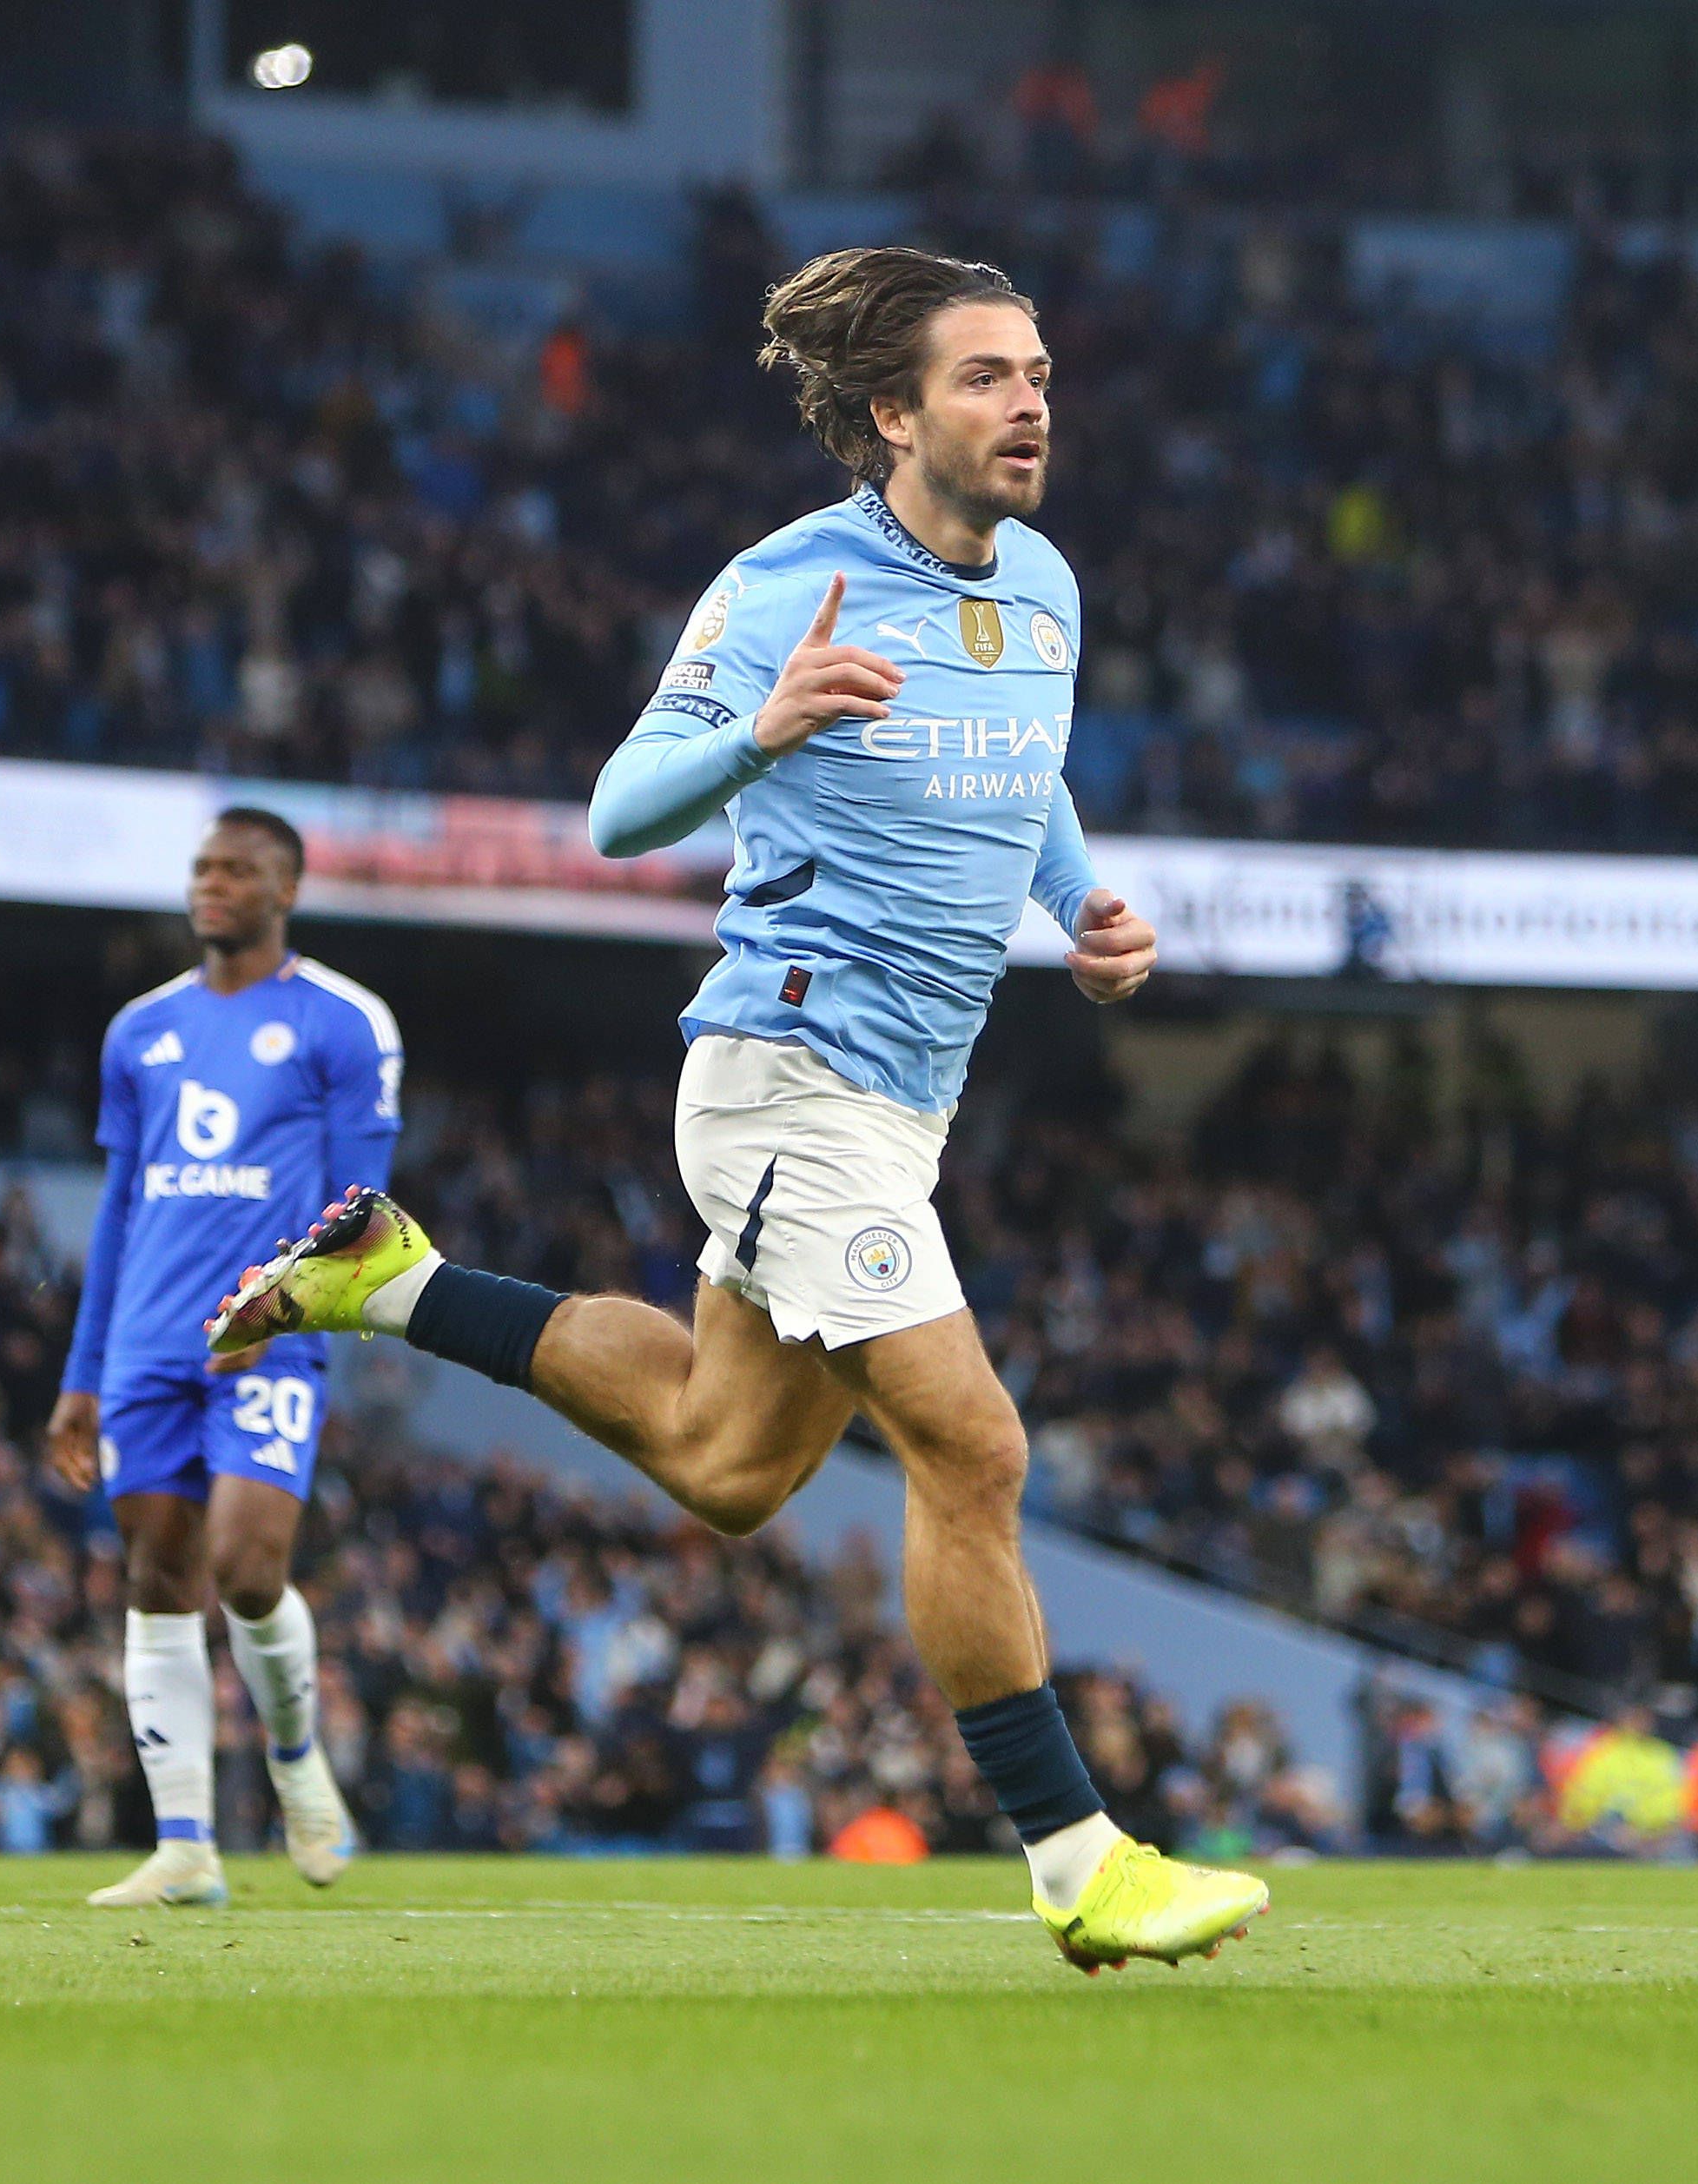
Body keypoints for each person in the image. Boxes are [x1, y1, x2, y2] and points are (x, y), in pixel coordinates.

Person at [210, 247, 1270, 1972]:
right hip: (788, 1074)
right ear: (891, 413)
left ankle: (389, 1282)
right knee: (970, 1444)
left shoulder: (1047, 586)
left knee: (721, 1459)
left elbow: (1028, 757)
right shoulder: (786, 587)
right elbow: (620, 807)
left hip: (902, 1099)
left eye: (1040, 376)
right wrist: (761, 729)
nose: (1029, 407)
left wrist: (1075, 908)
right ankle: (1076, 1857)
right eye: (989, 377)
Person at [44, 810, 400, 1908]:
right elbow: (118, 1209)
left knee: (248, 1572)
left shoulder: (343, 1021)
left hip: (267, 1342)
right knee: (156, 1580)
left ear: (284, 887)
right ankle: (186, 1848)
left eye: (238, 870)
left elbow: (367, 1213)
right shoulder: (138, 1030)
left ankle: (295, 1764)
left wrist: (279, 1316)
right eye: (203, 868)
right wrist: (80, 1374)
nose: (213, 885)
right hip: (147, 1343)